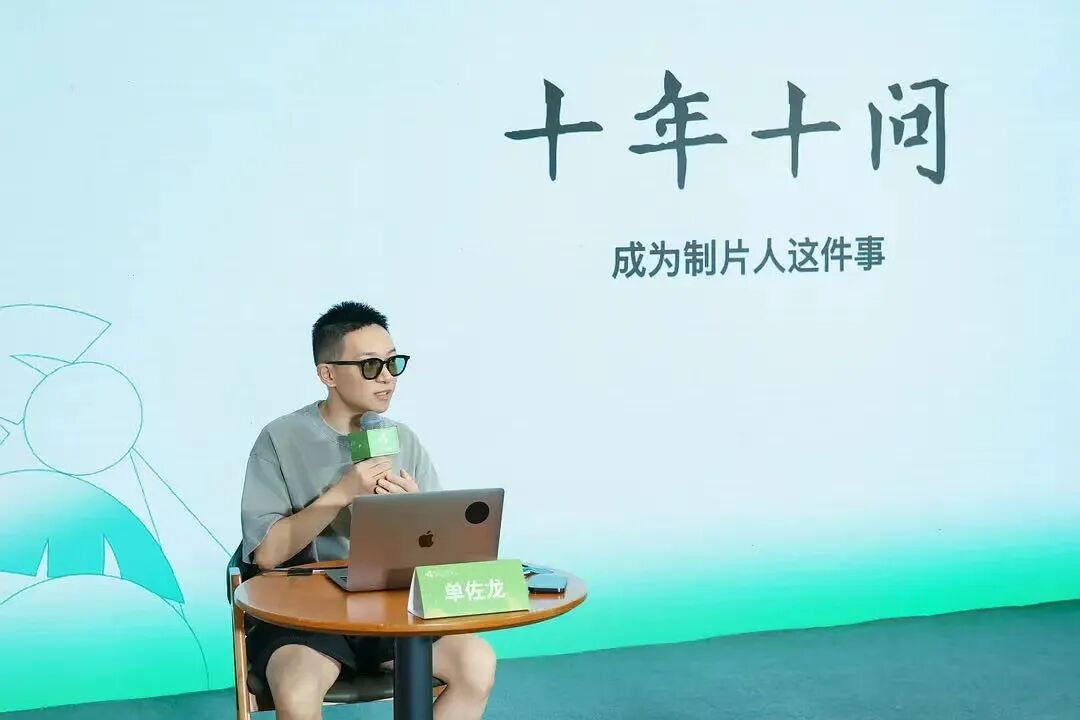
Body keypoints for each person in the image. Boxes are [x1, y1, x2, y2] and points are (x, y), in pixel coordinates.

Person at [240, 301, 496, 720]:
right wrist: (341, 493)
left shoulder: (402, 439)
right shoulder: (280, 438)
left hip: (392, 611)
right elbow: (266, 555)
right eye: (370, 365)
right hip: (305, 617)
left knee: (477, 663)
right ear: (328, 374)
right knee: (298, 689)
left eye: (393, 363)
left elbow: (445, 555)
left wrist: (418, 514)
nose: (387, 377)